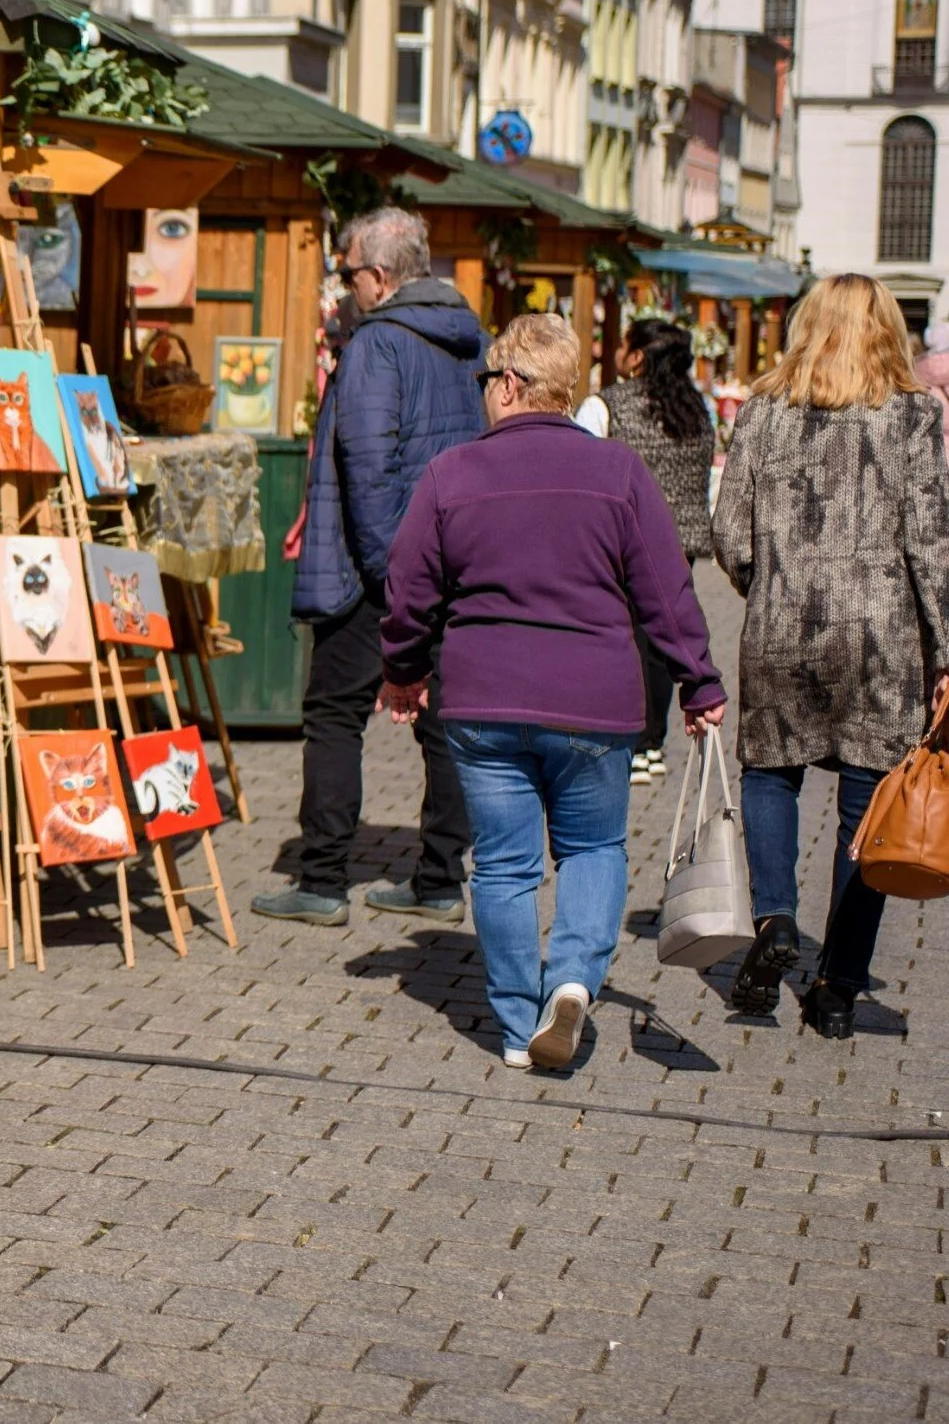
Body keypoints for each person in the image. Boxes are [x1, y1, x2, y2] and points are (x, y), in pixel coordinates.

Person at [382, 315, 727, 1071]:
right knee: (593, 847)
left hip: (482, 699)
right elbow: (663, 593)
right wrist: (697, 681)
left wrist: (403, 671)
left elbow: (407, 593)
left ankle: (513, 1025)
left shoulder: (452, 473)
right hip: (594, 699)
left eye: (486, 382)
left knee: (503, 866)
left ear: (509, 383)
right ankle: (569, 981)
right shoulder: (618, 473)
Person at [713, 274, 949, 1038]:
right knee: (868, 813)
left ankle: (774, 919)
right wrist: (943, 647)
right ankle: (839, 988)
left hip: (782, 629)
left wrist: (765, 584)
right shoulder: (912, 416)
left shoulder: (762, 411)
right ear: (887, 329)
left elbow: (728, 534)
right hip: (881, 642)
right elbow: (930, 545)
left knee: (770, 776)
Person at [263, 207, 486, 928]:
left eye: (349, 270)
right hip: (453, 558)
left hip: (377, 571)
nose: (345, 284)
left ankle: (322, 878)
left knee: (332, 714)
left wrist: (392, 585)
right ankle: (438, 878)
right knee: (444, 723)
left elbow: (367, 469)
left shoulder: (376, 344)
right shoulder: (469, 339)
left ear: (381, 275)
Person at [571, 319, 718, 785]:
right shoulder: (696, 408)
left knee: (627, 635)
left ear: (636, 356)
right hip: (681, 540)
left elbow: (580, 461)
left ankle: (630, 738)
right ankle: (653, 742)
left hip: (623, 540)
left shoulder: (607, 404)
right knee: (662, 638)